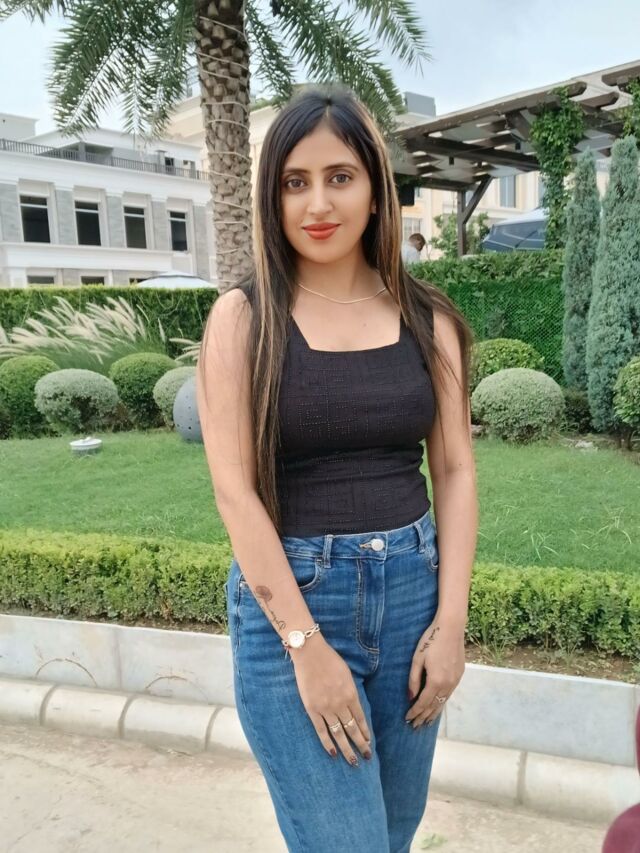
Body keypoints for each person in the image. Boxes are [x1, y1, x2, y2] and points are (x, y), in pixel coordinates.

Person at [196, 83, 478, 853]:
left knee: (390, 837)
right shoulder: (244, 320)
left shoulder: (429, 319)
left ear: (375, 190)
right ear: (272, 196)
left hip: (415, 601)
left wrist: (452, 624)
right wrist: (306, 646)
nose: (317, 203)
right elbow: (234, 491)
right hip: (294, 602)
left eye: (339, 176)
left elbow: (455, 472)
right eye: (296, 181)